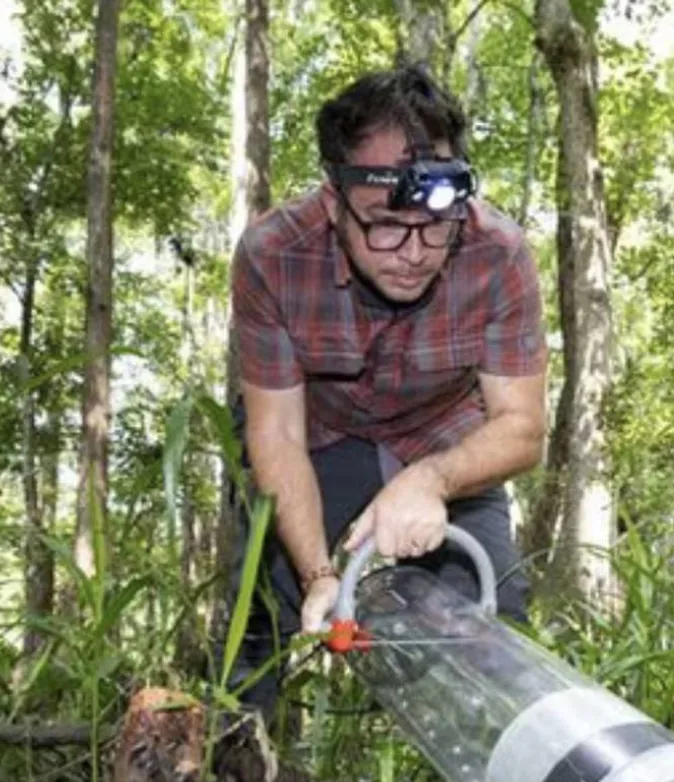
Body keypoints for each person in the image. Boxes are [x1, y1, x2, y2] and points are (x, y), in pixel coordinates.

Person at [224, 63, 548, 728]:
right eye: (383, 225)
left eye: (435, 225)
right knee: (258, 631)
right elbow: (276, 434)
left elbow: (521, 426)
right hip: (317, 435)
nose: (414, 251)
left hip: (445, 437)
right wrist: (318, 574)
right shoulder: (273, 254)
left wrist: (431, 479)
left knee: (498, 640)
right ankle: (240, 773)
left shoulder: (497, 252)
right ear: (335, 201)